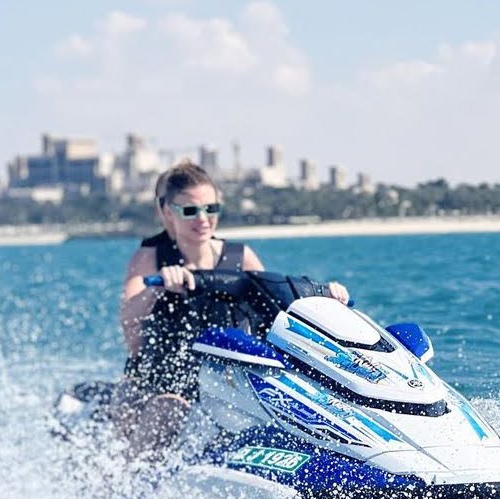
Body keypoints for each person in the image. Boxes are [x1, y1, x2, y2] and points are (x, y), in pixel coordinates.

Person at [117, 161, 348, 458]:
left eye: (211, 209)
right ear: (168, 213)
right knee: (167, 408)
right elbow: (128, 318)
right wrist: (158, 286)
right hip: (164, 377)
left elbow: (275, 305)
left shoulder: (241, 256)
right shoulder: (150, 257)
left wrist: (324, 295)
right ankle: (129, 490)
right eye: (190, 211)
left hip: (226, 378)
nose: (203, 219)